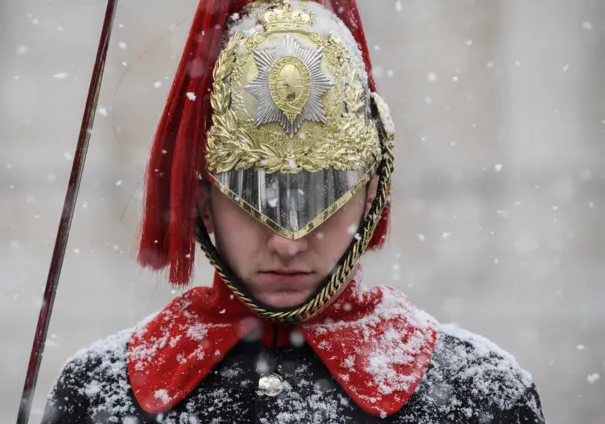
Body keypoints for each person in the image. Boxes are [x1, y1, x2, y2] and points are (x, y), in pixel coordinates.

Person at [42, 0, 546, 423]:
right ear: (203, 197)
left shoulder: (478, 397)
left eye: (322, 195)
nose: (287, 241)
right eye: (253, 196)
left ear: (371, 188)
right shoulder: (98, 394)